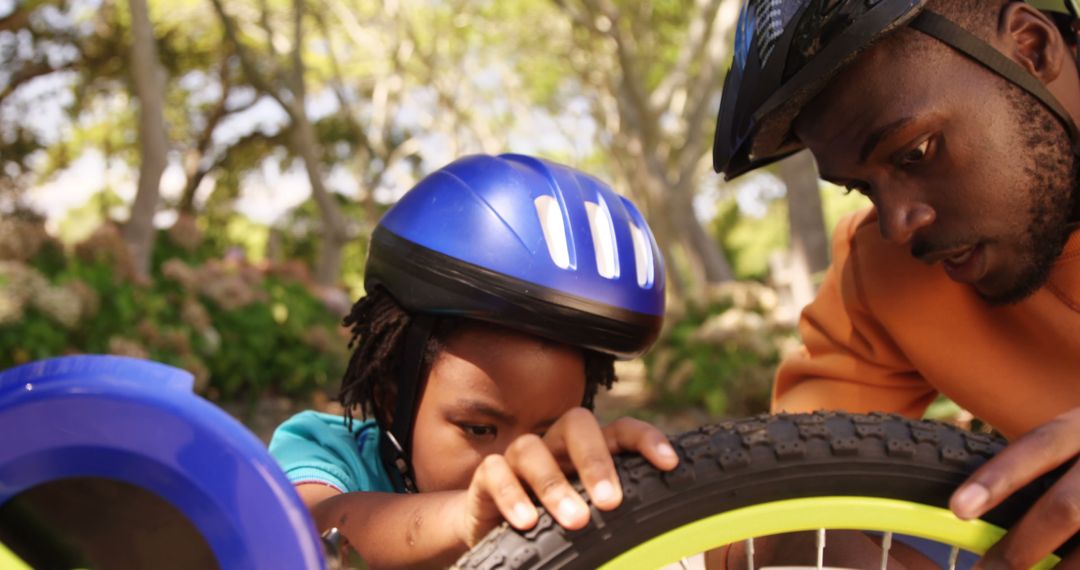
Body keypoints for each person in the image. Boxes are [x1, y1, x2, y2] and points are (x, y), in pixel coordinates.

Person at [713, 0, 1080, 567]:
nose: (898, 222)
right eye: (862, 188)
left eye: (915, 152)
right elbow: (758, 504)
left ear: (1032, 47)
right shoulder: (887, 272)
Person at [268, 154, 679, 568]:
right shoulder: (325, 449)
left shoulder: (573, 490)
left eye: (548, 432)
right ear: (393, 400)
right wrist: (468, 517)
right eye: (480, 429)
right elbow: (315, 529)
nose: (514, 462)